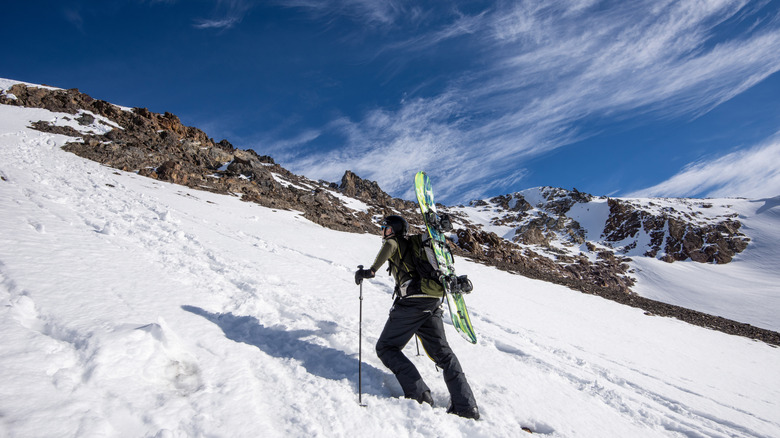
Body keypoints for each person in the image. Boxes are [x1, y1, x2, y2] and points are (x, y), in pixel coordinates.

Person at [355, 215, 479, 420]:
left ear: (393, 229)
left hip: (412, 304)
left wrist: (371, 271)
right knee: (445, 356)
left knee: (386, 348)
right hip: (433, 301)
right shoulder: (416, 245)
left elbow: (388, 248)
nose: (382, 231)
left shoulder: (395, 242)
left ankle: (419, 394)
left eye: (385, 228)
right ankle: (466, 406)